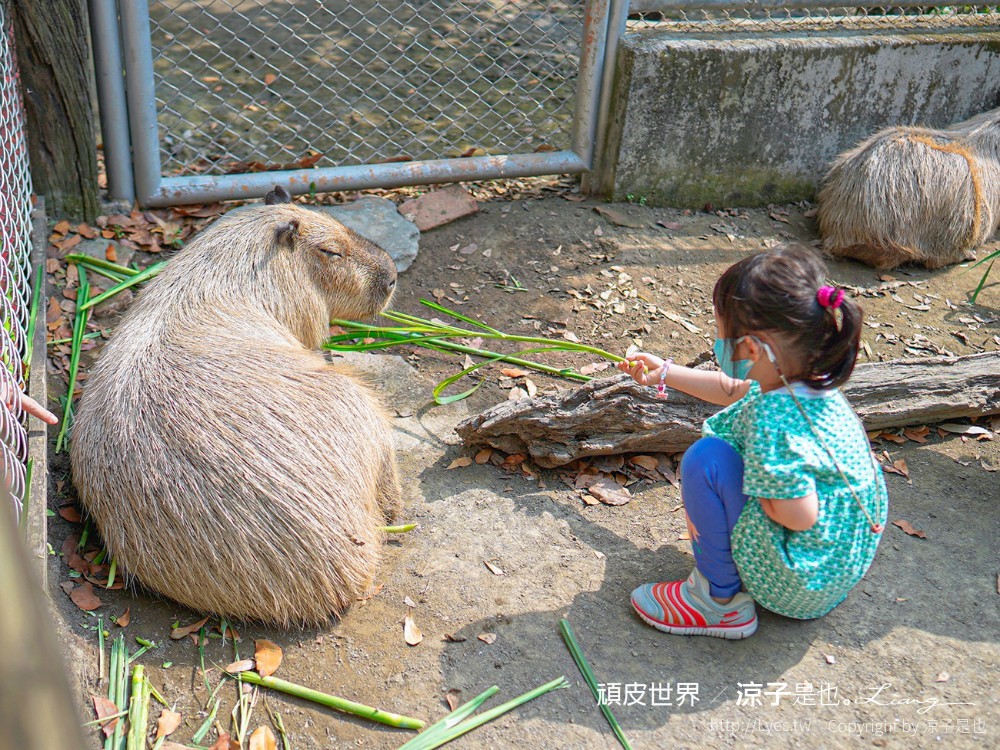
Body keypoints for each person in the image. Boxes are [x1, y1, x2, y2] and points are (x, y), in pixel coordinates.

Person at [619, 244, 888, 639]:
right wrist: (666, 373)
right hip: (836, 564)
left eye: (721, 332)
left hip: (800, 581)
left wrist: (758, 491)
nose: (718, 340)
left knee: (705, 461)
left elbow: (800, 516)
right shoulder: (806, 381)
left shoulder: (775, 425)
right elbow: (733, 389)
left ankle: (717, 602)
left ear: (751, 349)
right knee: (722, 461)